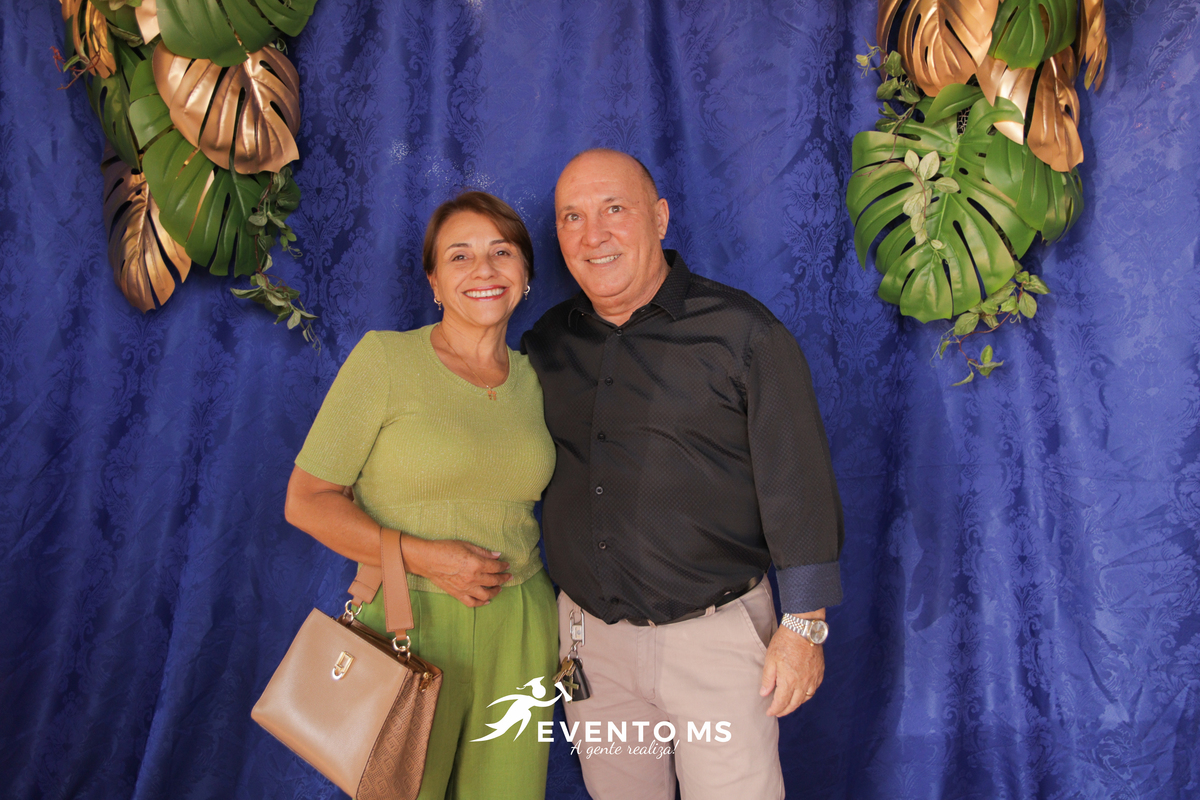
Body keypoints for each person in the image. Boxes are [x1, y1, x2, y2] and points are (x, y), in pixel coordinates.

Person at [521, 149, 844, 800]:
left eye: (614, 209)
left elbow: (799, 481)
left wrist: (804, 626)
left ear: (660, 218)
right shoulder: (546, 344)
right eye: (572, 217)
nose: (593, 235)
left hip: (716, 641)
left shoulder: (743, 334)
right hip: (590, 646)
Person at [284, 191, 558, 800]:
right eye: (460, 256)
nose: (484, 269)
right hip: (405, 622)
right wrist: (424, 556)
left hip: (522, 628)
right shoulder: (385, 359)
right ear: (434, 282)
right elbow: (306, 500)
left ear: (525, 275)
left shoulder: (541, 379)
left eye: (502, 252)